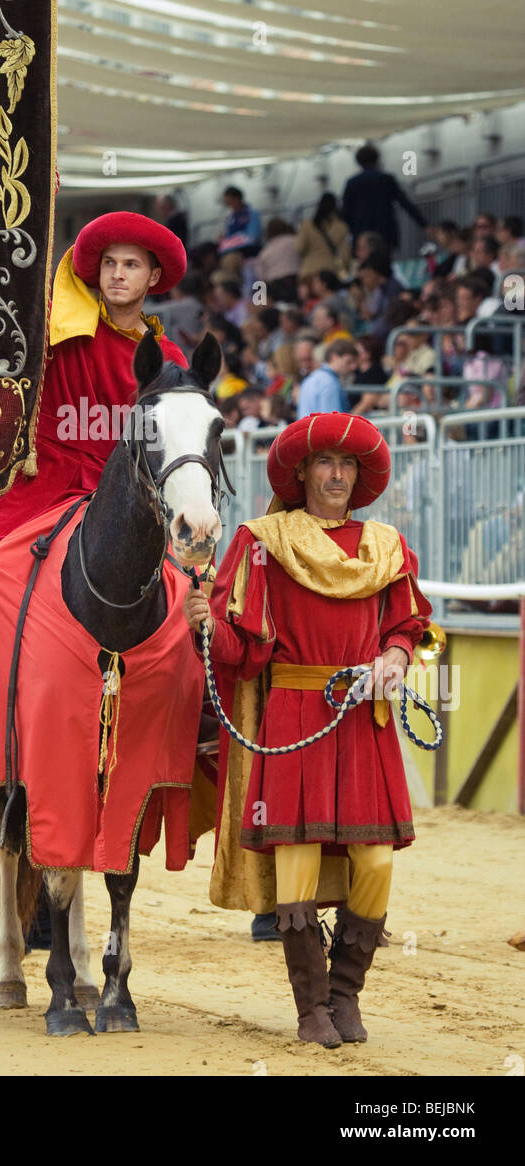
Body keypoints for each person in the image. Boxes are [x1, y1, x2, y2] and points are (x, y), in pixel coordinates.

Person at [183, 413, 431, 1047]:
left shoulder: (385, 545)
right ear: (301, 473)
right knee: (295, 867)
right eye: (325, 463)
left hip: (363, 719)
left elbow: (407, 623)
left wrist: (397, 657)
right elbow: (244, 652)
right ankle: (312, 1008)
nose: (338, 475)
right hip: (295, 711)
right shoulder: (263, 540)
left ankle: (347, 995)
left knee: (374, 861)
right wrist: (205, 623)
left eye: (348, 465)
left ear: (361, 475)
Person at [0, 213, 188, 764]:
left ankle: (191, 706)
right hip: (50, 475)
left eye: (131, 265)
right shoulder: (57, 325)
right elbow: (1, 342)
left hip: (128, 494)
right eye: (109, 264)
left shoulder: (171, 360)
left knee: (186, 587)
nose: (116, 275)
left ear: (153, 277)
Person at [297, 194, 351, 281]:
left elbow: (299, 248)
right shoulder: (342, 227)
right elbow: (345, 256)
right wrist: (345, 271)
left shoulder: (307, 224)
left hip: (309, 273)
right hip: (330, 274)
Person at [296, 338, 357, 416]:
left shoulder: (311, 378)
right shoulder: (329, 383)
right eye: (349, 361)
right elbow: (332, 421)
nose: (354, 367)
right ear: (334, 357)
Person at [218, 186, 262, 257]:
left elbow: (253, 237)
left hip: (249, 249)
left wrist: (229, 241)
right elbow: (229, 234)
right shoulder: (230, 217)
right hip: (233, 249)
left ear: (237, 199)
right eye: (228, 204)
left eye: (230, 202)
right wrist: (224, 238)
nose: (230, 206)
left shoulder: (252, 214)